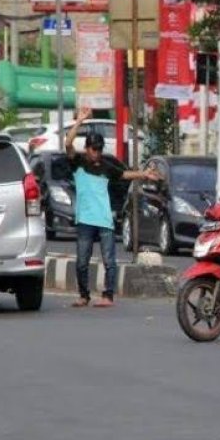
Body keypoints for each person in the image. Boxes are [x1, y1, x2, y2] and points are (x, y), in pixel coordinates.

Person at [66, 107, 161, 308]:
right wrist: (79, 122)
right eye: (93, 149)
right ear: (87, 148)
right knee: (82, 262)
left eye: (99, 149)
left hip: (104, 220)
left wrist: (144, 174)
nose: (97, 152)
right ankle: (84, 295)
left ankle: (108, 296)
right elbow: (68, 143)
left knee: (110, 261)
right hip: (84, 220)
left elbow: (124, 175)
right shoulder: (78, 163)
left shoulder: (106, 166)